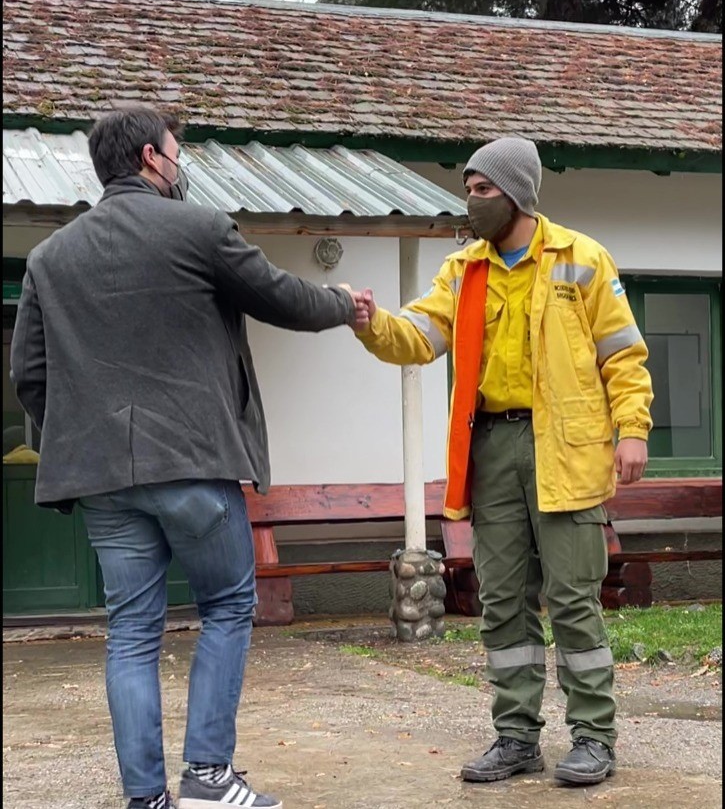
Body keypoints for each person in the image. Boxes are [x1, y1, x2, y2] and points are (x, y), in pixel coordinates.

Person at [10, 108, 368, 809]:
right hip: (194, 463)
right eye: (179, 151)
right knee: (229, 604)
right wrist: (341, 304)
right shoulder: (199, 227)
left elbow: (29, 371)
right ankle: (208, 776)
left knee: (132, 631)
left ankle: (146, 798)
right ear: (152, 156)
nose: (182, 162)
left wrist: (79, 436)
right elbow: (281, 297)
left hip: (104, 477)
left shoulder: (49, 257)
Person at [351, 137, 653, 786]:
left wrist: (631, 429)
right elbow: (421, 336)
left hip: (564, 449)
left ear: (517, 192)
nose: (471, 200)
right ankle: (515, 736)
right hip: (491, 449)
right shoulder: (463, 270)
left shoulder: (581, 258)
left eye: (483, 189)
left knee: (572, 598)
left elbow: (622, 354)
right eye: (469, 188)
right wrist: (374, 323)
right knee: (502, 603)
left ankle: (593, 738)